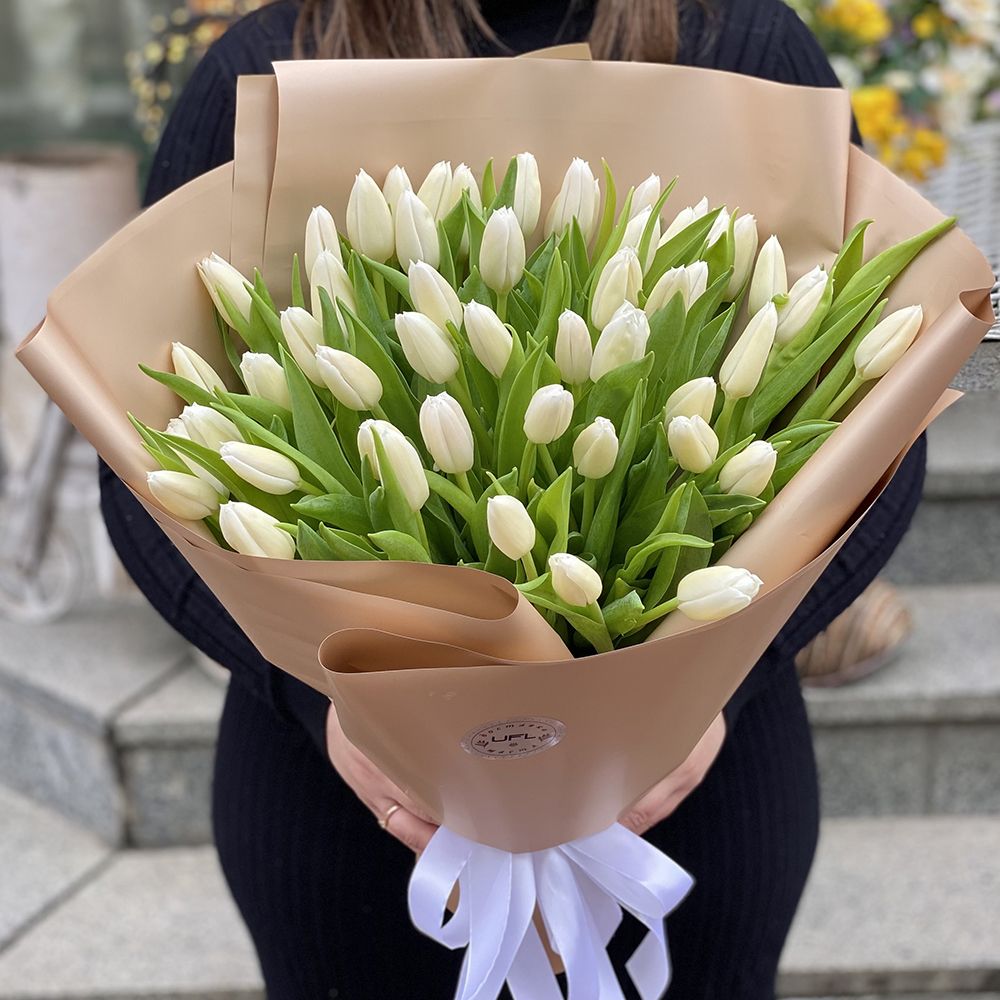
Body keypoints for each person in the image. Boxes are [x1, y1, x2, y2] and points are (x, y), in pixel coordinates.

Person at [99, 1, 927, 996]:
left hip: (691, 791)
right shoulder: (261, 67)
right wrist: (329, 709)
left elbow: (880, 441)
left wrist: (710, 695)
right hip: (350, 811)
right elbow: (141, 473)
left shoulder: (744, 44)